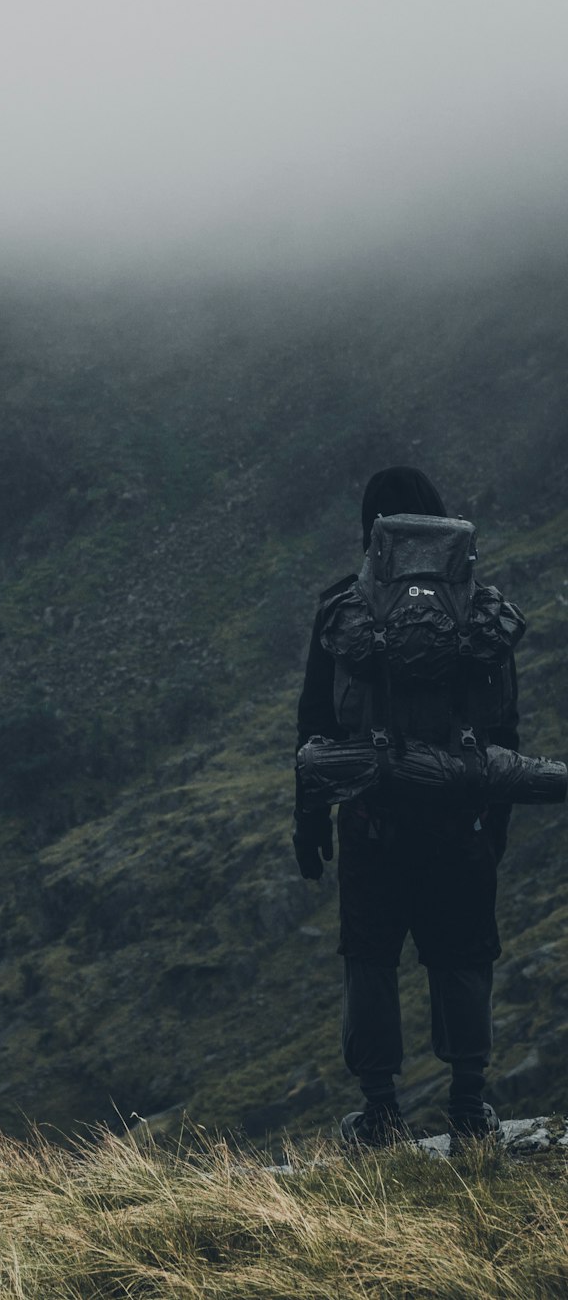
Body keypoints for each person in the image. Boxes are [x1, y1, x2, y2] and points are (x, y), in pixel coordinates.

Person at [293, 467, 517, 1148]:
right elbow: (505, 727)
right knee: (460, 956)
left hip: (370, 818)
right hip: (461, 819)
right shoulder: (480, 609)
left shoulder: (344, 606)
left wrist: (308, 823)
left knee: (370, 958)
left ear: (372, 529)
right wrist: (494, 823)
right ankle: (471, 1106)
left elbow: (313, 724)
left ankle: (381, 1111)